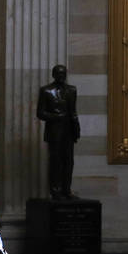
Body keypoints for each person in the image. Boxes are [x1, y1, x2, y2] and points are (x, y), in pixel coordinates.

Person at [36, 64, 80, 199]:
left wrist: (76, 130)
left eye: (63, 74)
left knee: (69, 161)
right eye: (59, 74)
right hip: (54, 132)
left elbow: (73, 112)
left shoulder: (72, 90)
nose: (61, 76)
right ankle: (55, 190)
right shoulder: (46, 91)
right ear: (54, 75)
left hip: (68, 131)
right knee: (56, 162)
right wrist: (56, 117)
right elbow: (40, 113)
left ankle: (67, 189)